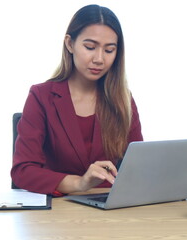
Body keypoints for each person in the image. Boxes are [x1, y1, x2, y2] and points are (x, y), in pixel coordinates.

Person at [11, 4, 143, 196]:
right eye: (90, 47)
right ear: (70, 44)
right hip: (58, 214)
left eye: (109, 50)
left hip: (109, 212)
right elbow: (22, 171)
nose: (99, 59)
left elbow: (138, 167)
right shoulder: (41, 96)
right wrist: (80, 183)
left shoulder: (123, 99)